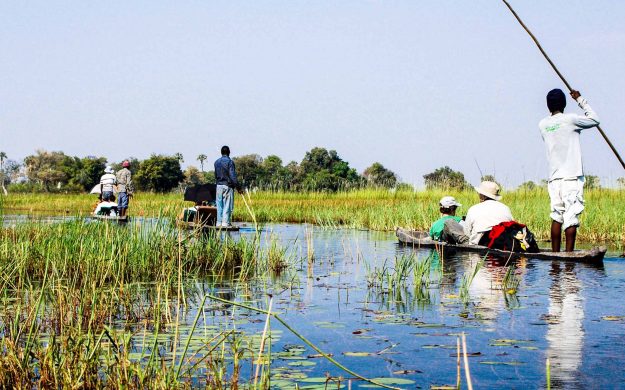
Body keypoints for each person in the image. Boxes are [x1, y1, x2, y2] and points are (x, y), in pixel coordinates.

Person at [539, 88, 600, 252]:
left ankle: (555, 256)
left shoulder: (543, 124)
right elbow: (595, 120)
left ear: (548, 106)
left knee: (556, 216)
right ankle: (569, 257)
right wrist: (580, 100)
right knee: (571, 217)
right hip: (571, 177)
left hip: (554, 179)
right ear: (564, 104)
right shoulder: (571, 119)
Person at [464, 181, 513, 245]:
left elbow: (467, 233)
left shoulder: (473, 209)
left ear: (483, 195)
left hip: (478, 246)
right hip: (502, 245)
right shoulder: (506, 208)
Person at [214, 146, 242, 227]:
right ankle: (225, 224)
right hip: (227, 186)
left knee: (219, 205)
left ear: (221, 152)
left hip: (218, 186)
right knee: (227, 205)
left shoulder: (216, 162)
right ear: (229, 152)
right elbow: (232, 176)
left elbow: (215, 175)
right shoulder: (230, 162)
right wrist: (238, 188)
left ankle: (219, 223)